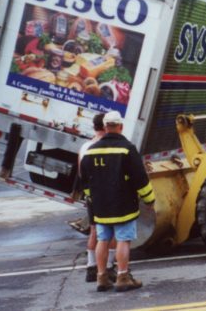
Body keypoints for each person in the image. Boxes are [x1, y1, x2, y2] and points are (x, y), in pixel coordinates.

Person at [81, 110, 155, 292]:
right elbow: (140, 177)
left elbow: (84, 178)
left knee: (102, 239)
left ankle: (101, 278)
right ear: (120, 126)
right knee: (123, 239)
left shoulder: (91, 150)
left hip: (100, 206)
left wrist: (92, 197)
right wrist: (149, 199)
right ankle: (122, 276)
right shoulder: (127, 148)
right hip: (123, 204)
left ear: (105, 127)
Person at [77, 113, 117, 283]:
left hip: (91, 194)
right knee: (114, 230)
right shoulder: (105, 146)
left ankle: (91, 267)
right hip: (108, 193)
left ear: (94, 127)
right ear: (106, 126)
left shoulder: (85, 146)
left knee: (94, 230)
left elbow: (81, 173)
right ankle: (109, 267)